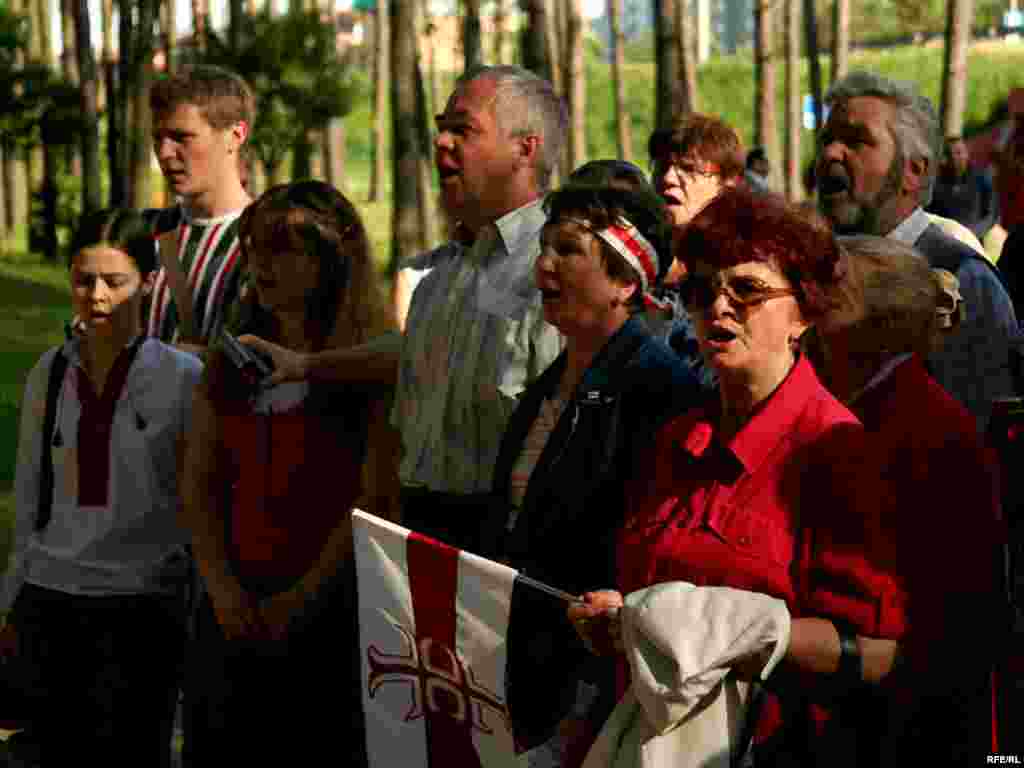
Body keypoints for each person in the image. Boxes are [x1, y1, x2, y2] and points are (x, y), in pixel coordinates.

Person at [569, 188, 902, 766]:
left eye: (746, 290)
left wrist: (742, 631)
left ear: (803, 310)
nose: (718, 308)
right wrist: (619, 622)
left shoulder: (837, 450)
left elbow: (876, 654)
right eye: (700, 292)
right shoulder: (675, 440)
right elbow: (654, 601)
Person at [242, 65, 566, 555]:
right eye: (442, 127)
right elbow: (416, 354)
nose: (442, 143)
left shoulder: (557, 269)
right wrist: (303, 367)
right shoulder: (444, 274)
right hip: (423, 538)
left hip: (510, 550)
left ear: (526, 148)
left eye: (463, 129)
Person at [180, 181, 394, 766]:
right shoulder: (233, 360)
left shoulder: (367, 368)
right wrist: (223, 590)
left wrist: (300, 600)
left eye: (280, 249)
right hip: (229, 610)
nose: (260, 266)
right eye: (252, 249)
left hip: (330, 619)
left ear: (331, 260)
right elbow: (198, 483)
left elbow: (371, 499)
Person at [487, 181, 701, 764]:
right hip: (532, 671)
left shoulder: (660, 389)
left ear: (626, 281)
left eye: (567, 250)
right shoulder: (546, 387)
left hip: (597, 684)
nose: (543, 265)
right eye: (543, 248)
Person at [0, 209, 202, 766]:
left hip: (142, 608)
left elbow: (199, 500)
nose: (97, 296)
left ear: (148, 283)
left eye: (115, 281)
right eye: (83, 280)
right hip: (53, 597)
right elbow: (29, 494)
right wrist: (13, 600)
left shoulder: (181, 379)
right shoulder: (50, 371)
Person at [815, 235, 1004, 764]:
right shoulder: (868, 406)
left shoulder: (923, 426)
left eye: (833, 296)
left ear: (882, 322)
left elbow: (949, 616)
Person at [816, 69, 1019, 431]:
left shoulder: (961, 280)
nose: (831, 153)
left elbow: (978, 439)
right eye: (827, 140)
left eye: (856, 140)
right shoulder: (811, 274)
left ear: (914, 171)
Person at [146, 65, 255, 348]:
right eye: (158, 138)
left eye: (181, 137)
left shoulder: (266, 241)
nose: (164, 153)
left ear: (236, 135)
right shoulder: (147, 233)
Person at [647, 113, 744, 391]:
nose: (668, 179)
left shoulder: (737, 273)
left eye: (687, 170)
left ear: (727, 184)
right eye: (661, 167)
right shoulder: (632, 269)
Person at [926, 136, 996, 240]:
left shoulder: (982, 180)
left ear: (967, 154)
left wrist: (972, 234)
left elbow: (991, 215)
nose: (954, 157)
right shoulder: (936, 183)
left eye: (959, 152)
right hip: (944, 241)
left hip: (973, 242)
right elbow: (929, 213)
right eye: (950, 154)